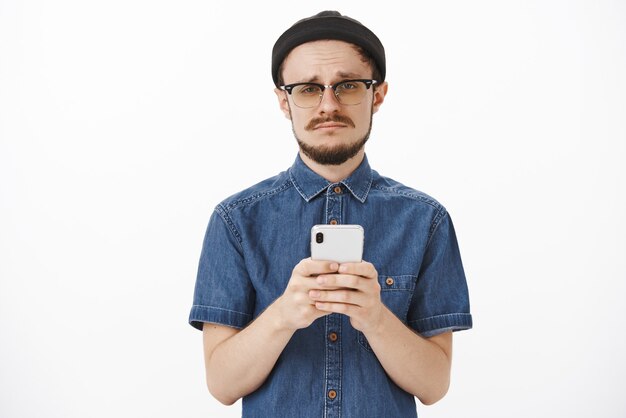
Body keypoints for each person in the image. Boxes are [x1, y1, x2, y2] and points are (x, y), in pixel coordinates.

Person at [189, 10, 472, 417]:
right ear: (284, 101)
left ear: (378, 95)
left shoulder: (425, 220)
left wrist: (375, 317)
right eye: (307, 89)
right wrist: (284, 315)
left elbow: (434, 385)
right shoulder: (235, 220)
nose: (328, 105)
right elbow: (221, 384)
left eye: (348, 86)